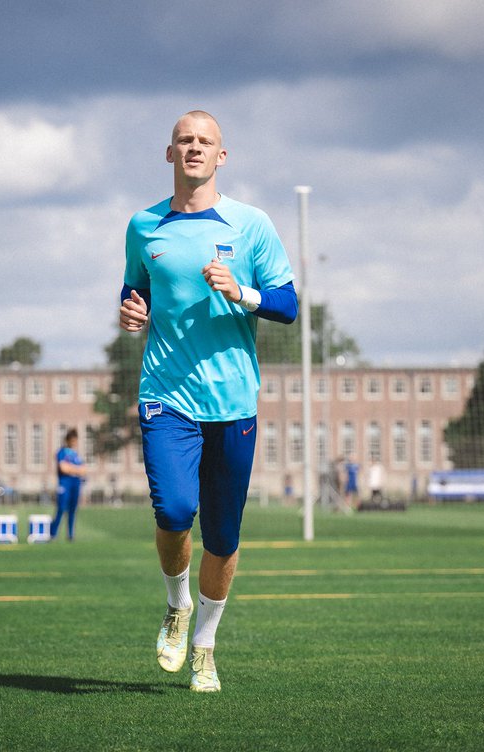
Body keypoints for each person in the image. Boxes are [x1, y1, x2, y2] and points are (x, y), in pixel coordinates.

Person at [120, 110, 297, 692]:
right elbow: (135, 289)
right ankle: (176, 608)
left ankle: (205, 645)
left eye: (205, 142)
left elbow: (288, 304)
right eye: (184, 141)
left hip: (234, 402)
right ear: (169, 154)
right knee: (173, 512)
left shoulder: (253, 225)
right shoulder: (143, 226)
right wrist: (130, 311)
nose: (194, 148)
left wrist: (242, 292)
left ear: (222, 156)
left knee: (222, 538)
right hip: (166, 395)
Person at [50, 428, 86, 541]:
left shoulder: (76, 455)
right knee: (61, 508)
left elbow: (84, 469)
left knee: (73, 509)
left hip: (76, 484)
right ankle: (53, 533)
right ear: (68, 440)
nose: (74, 443)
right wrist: (76, 469)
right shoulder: (62, 452)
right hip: (65, 484)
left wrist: (72, 469)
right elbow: (63, 468)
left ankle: (70, 535)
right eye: (73, 440)